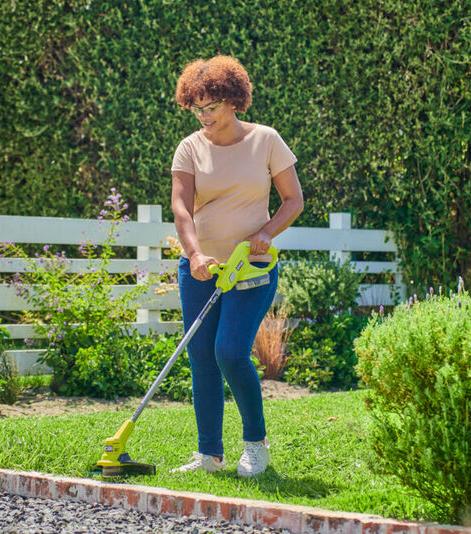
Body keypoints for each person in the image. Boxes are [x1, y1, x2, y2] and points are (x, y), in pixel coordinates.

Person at [170, 55, 304, 477]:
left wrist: (267, 232)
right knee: (202, 357)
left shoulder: (266, 140)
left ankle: (256, 444)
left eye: (210, 107)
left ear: (233, 100)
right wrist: (194, 254)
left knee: (229, 351)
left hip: (251, 268)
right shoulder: (190, 147)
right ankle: (209, 454)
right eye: (196, 108)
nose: (203, 116)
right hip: (201, 270)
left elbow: (293, 200)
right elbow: (181, 208)